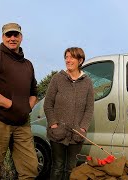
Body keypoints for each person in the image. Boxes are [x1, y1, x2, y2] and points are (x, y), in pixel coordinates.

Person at [0, 22, 39, 180]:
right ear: (2, 37)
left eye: (15, 34)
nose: (12, 38)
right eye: (8, 34)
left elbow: (34, 92)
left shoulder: (28, 65)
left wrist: (27, 108)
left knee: (30, 169)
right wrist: (11, 105)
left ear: (21, 37)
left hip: (22, 124)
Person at [43, 47, 94, 180]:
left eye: (71, 57)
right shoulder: (57, 79)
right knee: (57, 167)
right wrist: (53, 124)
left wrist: (82, 128)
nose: (68, 60)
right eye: (66, 57)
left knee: (71, 169)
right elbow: (48, 104)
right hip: (57, 133)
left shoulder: (87, 82)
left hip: (77, 134)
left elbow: (89, 109)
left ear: (80, 60)